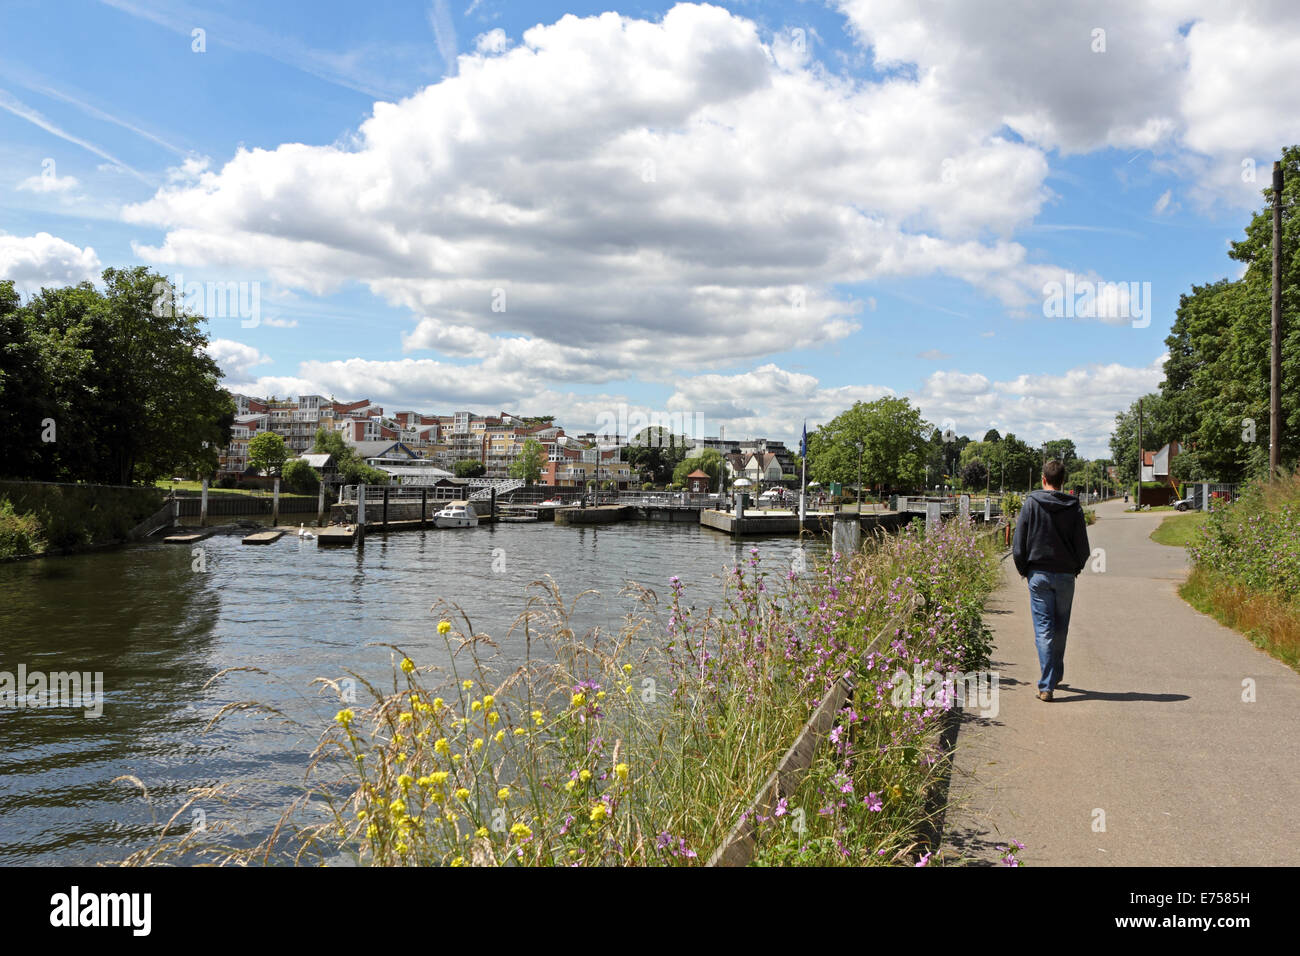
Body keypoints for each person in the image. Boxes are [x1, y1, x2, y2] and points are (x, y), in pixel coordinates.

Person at [1012, 459, 1091, 702]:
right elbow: (1083, 548)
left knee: (1044, 629)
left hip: (1039, 574)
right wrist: (1075, 568)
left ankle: (1047, 685)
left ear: (1043, 479)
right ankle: (1054, 674)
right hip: (1066, 575)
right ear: (1063, 481)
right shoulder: (1074, 507)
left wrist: (1024, 570)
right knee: (1061, 627)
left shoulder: (1031, 505)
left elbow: (1018, 544)